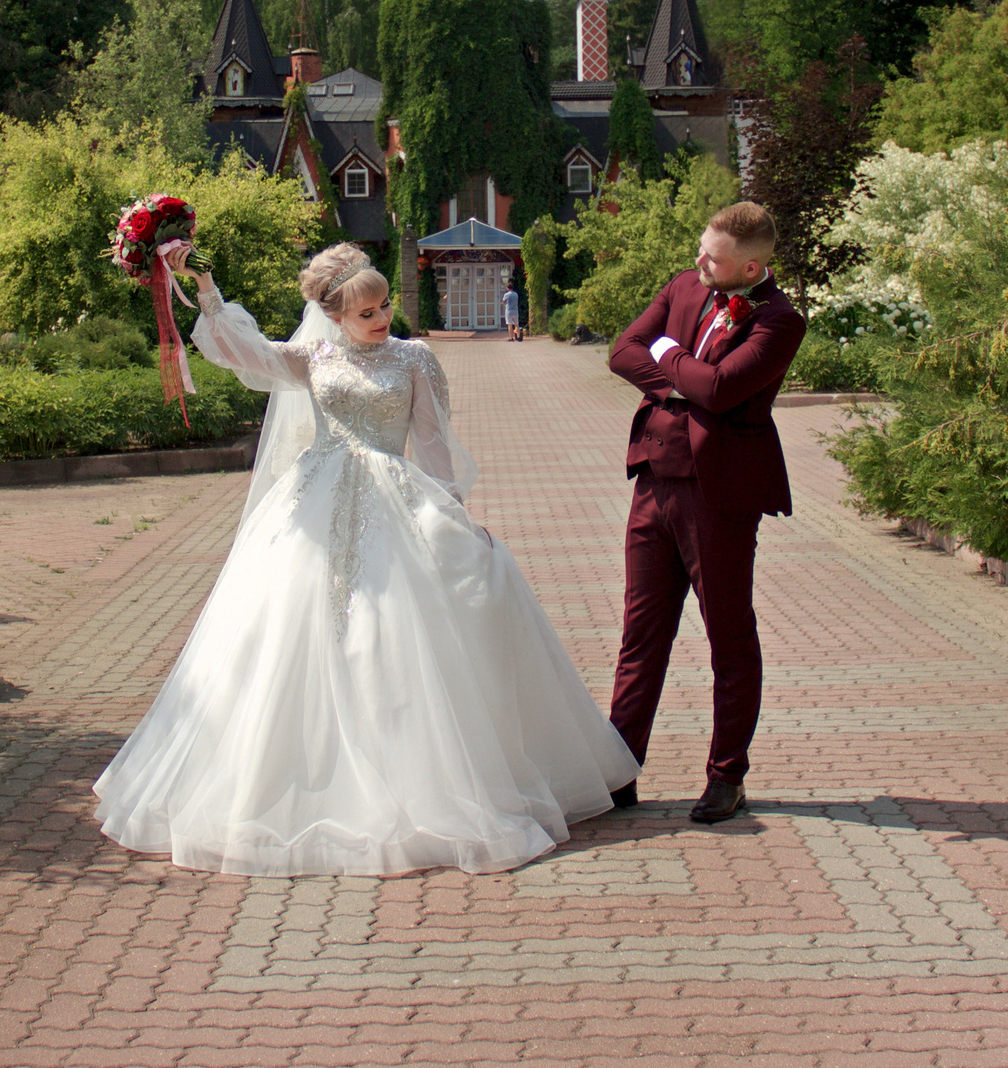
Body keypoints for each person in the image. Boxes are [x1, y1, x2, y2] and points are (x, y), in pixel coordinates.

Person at [93, 242, 639, 876]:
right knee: (286, 634)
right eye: (365, 313)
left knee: (423, 622)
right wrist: (207, 285)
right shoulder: (312, 356)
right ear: (335, 317)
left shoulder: (415, 359)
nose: (381, 319)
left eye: (383, 306)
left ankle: (432, 775)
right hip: (313, 506)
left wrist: (455, 516)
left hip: (396, 499)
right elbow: (249, 354)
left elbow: (433, 446)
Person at [604, 201, 807, 825]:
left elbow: (723, 391)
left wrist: (670, 361)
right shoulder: (685, 286)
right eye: (701, 250)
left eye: (712, 258)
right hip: (653, 482)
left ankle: (727, 777)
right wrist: (676, 375)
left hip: (719, 496)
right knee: (641, 636)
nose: (699, 263)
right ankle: (617, 771)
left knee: (729, 635)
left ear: (750, 266)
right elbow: (623, 351)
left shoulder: (779, 321)